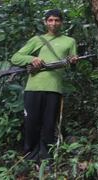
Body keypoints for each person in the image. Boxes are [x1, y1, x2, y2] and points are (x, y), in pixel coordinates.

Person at [11, 9, 77, 162]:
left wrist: (73, 61)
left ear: (62, 22)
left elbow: (72, 63)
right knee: (31, 123)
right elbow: (15, 57)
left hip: (54, 88)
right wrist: (32, 59)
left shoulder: (70, 41)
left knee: (49, 124)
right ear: (45, 22)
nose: (53, 23)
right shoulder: (37, 39)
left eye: (57, 20)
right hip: (33, 87)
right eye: (50, 20)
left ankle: (46, 158)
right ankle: (30, 156)